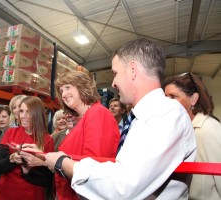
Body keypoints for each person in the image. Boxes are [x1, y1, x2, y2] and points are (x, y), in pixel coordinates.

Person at [44, 38, 197, 199]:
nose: (114, 83)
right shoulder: (143, 117)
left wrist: (65, 164)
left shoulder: (165, 114)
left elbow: (123, 186)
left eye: (115, 74)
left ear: (132, 70)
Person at [45, 70, 120, 200]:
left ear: (82, 86)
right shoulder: (85, 119)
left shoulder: (98, 114)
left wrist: (59, 161)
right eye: (61, 91)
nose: (64, 94)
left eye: (68, 87)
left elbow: (93, 166)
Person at [163, 73, 221, 200]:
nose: (167, 102)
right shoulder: (176, 128)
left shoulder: (209, 129)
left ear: (193, 99)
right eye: (165, 97)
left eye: (173, 96)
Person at [0, 96, 54, 200]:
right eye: (21, 111)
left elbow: (47, 180)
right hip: (5, 192)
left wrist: (28, 171)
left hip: (31, 194)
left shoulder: (47, 140)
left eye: (28, 112)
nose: (23, 116)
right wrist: (11, 159)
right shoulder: (11, 132)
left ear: (37, 114)